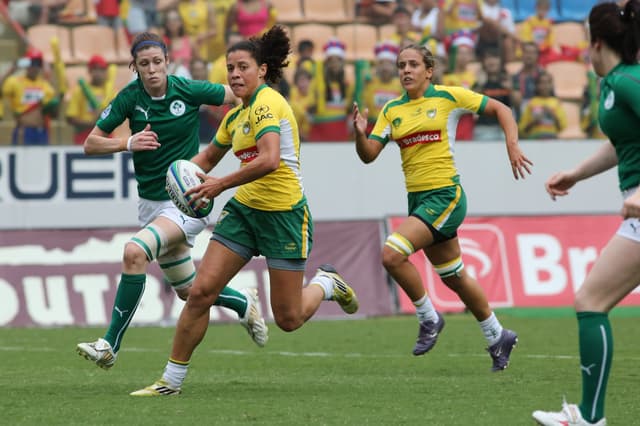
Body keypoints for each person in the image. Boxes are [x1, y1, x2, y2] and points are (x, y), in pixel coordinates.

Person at [130, 25, 359, 396]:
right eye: (230, 68)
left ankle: (325, 284)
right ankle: (170, 382)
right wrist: (179, 174)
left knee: (288, 318)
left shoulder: (269, 103)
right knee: (201, 291)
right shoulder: (236, 116)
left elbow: (269, 160)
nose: (235, 75)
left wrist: (218, 184)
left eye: (243, 68)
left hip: (284, 215)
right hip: (244, 212)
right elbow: (205, 158)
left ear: (262, 70)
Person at [76, 32, 268, 370]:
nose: (152, 70)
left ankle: (109, 345)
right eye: (144, 64)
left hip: (185, 201)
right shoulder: (129, 98)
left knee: (134, 252)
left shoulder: (188, 89)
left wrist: (247, 129)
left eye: (157, 62)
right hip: (151, 207)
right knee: (189, 292)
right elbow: (90, 144)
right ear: (134, 67)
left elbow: (239, 96)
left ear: (167, 62)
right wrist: (128, 142)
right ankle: (242, 302)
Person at [352, 43, 532, 371]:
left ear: (429, 70)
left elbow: (502, 110)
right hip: (419, 201)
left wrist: (512, 144)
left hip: (445, 196)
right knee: (455, 277)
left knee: (392, 254)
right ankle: (497, 335)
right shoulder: (392, 110)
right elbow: (368, 155)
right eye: (401, 65)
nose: (405, 70)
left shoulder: (448, 97)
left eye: (413, 65)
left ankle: (428, 317)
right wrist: (359, 133)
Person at [533, 1, 640, 425]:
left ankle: (590, 418)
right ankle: (589, 416)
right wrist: (577, 174)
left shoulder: (629, 81)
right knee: (590, 301)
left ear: (596, 44)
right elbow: (621, 142)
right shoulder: (614, 83)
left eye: (585, 44)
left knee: (590, 301)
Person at [1, 48, 60, 145]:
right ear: (27, 64)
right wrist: (11, 70)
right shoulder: (15, 82)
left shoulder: (45, 85)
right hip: (24, 131)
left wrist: (47, 69)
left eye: (38, 64)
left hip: (41, 131)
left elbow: (54, 109)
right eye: (32, 63)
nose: (35, 67)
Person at [66, 54, 118, 145]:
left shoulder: (112, 92)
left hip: (106, 137)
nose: (98, 73)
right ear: (90, 71)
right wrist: (93, 124)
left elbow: (117, 116)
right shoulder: (79, 91)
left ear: (106, 72)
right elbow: (70, 118)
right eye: (95, 68)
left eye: (102, 69)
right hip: (84, 137)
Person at [518, 71, 566, 140]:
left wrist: (552, 115)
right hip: (535, 138)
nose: (545, 86)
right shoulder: (531, 103)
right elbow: (522, 128)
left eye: (548, 83)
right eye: (542, 83)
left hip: (552, 138)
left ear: (551, 85)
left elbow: (562, 127)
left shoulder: (556, 103)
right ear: (537, 85)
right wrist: (534, 121)